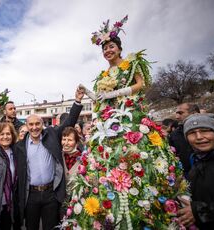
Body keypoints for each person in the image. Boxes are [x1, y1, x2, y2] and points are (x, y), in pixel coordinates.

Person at [64, 16, 188, 229]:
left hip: (130, 117)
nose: (107, 51)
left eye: (111, 47)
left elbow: (141, 84)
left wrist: (117, 92)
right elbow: (101, 99)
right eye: (104, 49)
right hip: (107, 122)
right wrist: (88, 92)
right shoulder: (104, 74)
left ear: (119, 48)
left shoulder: (131, 63)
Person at [14, 87, 84, 230]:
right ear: (26, 126)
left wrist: (77, 101)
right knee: (31, 227)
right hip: (31, 195)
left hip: (50, 194)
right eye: (31, 125)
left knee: (51, 227)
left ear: (42, 124)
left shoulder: (51, 134)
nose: (34, 128)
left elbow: (69, 122)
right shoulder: (20, 146)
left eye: (37, 124)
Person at [177, 114, 214, 229]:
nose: (199, 137)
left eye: (205, 131)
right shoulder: (196, 158)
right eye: (192, 133)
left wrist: (200, 212)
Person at [169, 103, 200, 176]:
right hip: (186, 175)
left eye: (180, 113)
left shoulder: (211, 131)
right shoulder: (174, 135)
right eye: (176, 113)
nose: (177, 117)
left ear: (194, 113)